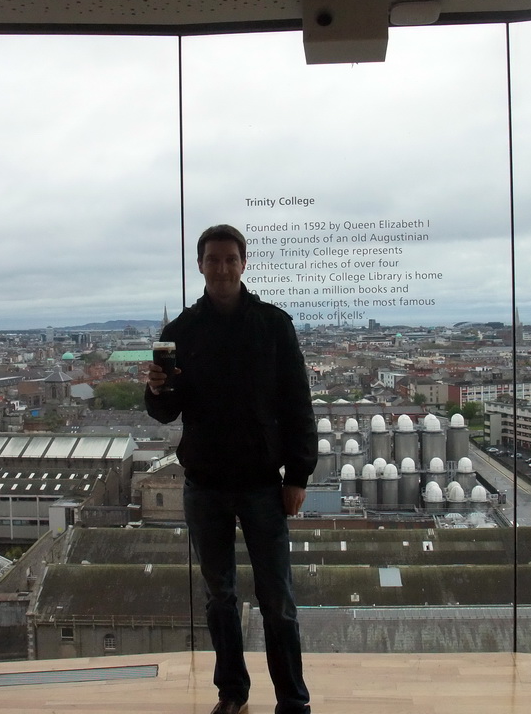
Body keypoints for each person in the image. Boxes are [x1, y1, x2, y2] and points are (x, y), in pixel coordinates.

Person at [146, 223, 316, 714]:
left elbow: (297, 403)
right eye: (213, 260)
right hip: (205, 484)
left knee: (278, 599)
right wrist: (156, 389)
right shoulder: (180, 333)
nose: (221, 268)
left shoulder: (273, 325)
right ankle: (232, 694)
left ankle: (293, 701)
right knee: (220, 598)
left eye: (230, 259)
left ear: (244, 264)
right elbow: (166, 412)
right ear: (200, 265)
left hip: (263, 483)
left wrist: (299, 475)